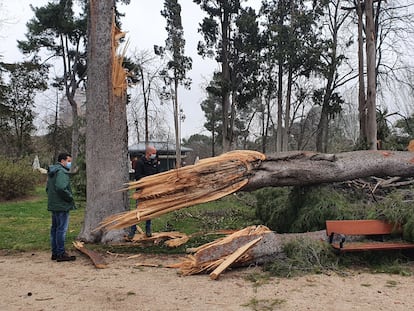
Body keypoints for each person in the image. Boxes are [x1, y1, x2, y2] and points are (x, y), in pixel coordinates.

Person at [46, 152, 76, 262]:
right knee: (61, 230)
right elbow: (61, 188)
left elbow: (48, 189)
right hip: (62, 205)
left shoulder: (52, 172)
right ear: (62, 161)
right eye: (68, 161)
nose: (70, 163)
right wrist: (70, 197)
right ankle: (61, 253)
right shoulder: (62, 172)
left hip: (54, 205)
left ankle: (55, 252)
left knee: (54, 229)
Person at [129, 145, 159, 238]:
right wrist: (148, 180)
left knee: (149, 211)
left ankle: (148, 230)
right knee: (139, 211)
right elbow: (138, 176)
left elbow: (158, 174)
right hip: (141, 191)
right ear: (148, 153)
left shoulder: (154, 162)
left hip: (151, 190)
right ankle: (132, 232)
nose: (154, 155)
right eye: (153, 153)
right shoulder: (140, 162)